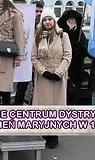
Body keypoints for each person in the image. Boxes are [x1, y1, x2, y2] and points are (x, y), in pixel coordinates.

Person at [31, 8, 72, 149]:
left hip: (58, 76)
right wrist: (43, 72)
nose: (47, 22)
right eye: (45, 19)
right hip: (43, 76)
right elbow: (34, 58)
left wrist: (59, 72)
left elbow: (67, 56)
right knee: (43, 106)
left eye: (50, 19)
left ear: (54, 21)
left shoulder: (63, 36)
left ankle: (54, 135)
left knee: (56, 106)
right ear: (42, 22)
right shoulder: (37, 36)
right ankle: (43, 133)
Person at [13, 0, 44, 105]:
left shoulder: (43, 28)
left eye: (40, 11)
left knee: (38, 91)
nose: (38, 14)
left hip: (38, 63)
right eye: (36, 11)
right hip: (25, 63)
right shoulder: (25, 24)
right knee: (21, 90)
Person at [57, 9, 87, 105]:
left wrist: (80, 47)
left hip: (77, 69)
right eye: (70, 20)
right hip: (63, 68)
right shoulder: (60, 33)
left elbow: (85, 51)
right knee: (62, 95)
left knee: (74, 95)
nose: (72, 22)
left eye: (74, 20)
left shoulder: (80, 33)